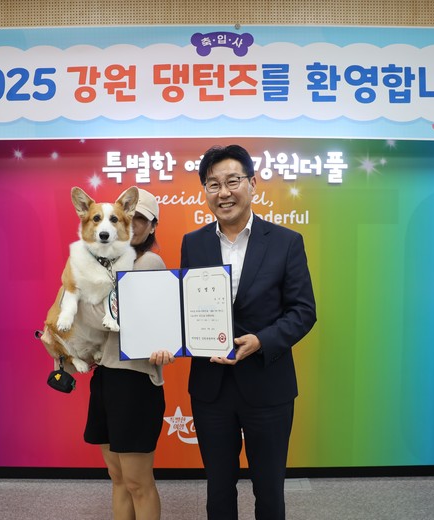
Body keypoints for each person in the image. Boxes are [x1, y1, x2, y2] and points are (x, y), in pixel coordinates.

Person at [180, 145, 317, 520]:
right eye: (213, 184)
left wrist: (261, 341)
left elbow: (303, 311)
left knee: (269, 490)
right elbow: (187, 307)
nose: (223, 193)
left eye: (232, 181)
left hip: (267, 385)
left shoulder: (286, 241)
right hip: (211, 388)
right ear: (205, 191)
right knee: (218, 488)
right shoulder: (194, 243)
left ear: (252, 183)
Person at [79, 188, 174, 520]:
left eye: (140, 219)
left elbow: (110, 318)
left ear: (153, 226)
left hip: (135, 381)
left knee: (137, 482)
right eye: (124, 219)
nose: (130, 226)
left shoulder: (148, 262)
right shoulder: (104, 263)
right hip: (106, 376)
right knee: (117, 478)